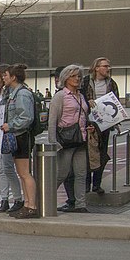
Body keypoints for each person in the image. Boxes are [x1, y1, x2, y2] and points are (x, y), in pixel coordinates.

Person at [48, 65, 92, 214]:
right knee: (62, 173)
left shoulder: (80, 95)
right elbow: (52, 121)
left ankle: (80, 204)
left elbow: (84, 115)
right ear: (66, 78)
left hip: (81, 138)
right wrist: (53, 141)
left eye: (79, 76)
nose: (77, 79)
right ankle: (45, 199)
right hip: (66, 140)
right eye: (73, 76)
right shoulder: (60, 96)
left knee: (81, 173)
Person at [2, 63, 39, 219]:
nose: (3, 78)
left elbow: (26, 117)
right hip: (17, 136)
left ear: (13, 77)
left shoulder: (22, 94)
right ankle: (26, 204)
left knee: (24, 173)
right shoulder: (13, 93)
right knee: (21, 173)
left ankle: (32, 206)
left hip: (22, 136)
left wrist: (9, 125)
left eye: (5, 75)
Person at [81, 57, 119, 195]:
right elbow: (79, 98)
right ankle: (86, 183)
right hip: (89, 123)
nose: (108, 69)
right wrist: (88, 101)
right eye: (105, 66)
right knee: (88, 153)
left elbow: (116, 103)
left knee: (102, 153)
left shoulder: (111, 83)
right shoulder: (86, 82)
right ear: (96, 68)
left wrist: (116, 121)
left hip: (104, 124)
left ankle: (97, 184)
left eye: (109, 66)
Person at [0, 64, 23, 214]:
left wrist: (6, 124)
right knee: (2, 169)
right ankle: (4, 199)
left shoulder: (11, 93)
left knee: (9, 168)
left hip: (8, 134)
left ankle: (18, 198)